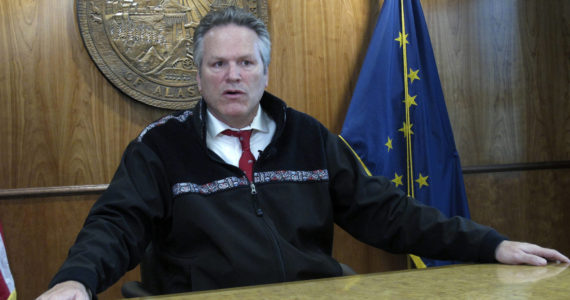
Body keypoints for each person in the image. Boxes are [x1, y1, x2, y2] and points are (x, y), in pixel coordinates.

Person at [37, 6, 569, 299]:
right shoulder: (160, 148)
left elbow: (388, 213)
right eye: (218, 65)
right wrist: (75, 282)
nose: (233, 76)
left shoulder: (310, 137)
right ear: (197, 76)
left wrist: (491, 245)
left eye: (245, 63)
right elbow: (116, 225)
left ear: (266, 71)